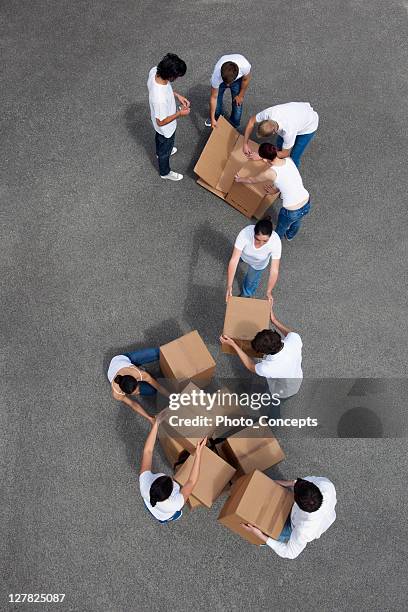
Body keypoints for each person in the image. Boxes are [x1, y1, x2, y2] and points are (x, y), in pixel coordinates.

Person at [241, 476, 337, 559]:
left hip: (295, 526)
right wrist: (276, 483)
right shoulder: (325, 484)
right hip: (311, 513)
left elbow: (290, 553)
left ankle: (266, 540)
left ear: (295, 499)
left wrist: (260, 535)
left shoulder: (303, 531)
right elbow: (299, 482)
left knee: (272, 532)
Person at [220, 306, 303, 400]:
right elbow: (290, 334)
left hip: (283, 390)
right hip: (297, 376)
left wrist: (233, 344)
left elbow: (250, 366)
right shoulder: (295, 340)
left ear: (265, 352)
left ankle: (273, 413)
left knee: (273, 403)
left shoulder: (267, 367)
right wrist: (274, 320)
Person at [234, 143, 310, 241]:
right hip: (306, 201)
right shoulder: (288, 160)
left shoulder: (270, 173)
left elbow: (252, 180)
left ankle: (274, 244)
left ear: (265, 159)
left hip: (291, 210)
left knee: (280, 230)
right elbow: (287, 181)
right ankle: (290, 235)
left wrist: (239, 179)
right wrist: (275, 190)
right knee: (297, 220)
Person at [139, 414, 207, 523]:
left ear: (153, 482)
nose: (170, 477)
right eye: (171, 481)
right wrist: (198, 454)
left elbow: (147, 451)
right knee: (176, 514)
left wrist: (156, 424)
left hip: (151, 504)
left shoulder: (145, 483)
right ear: (170, 494)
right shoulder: (175, 504)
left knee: (154, 509)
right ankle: (170, 517)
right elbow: (191, 481)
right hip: (165, 515)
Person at [147, 53, 190, 181]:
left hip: (161, 129)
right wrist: (179, 113)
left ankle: (161, 152)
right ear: (171, 76)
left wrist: (177, 95)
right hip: (166, 128)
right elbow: (160, 122)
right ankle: (165, 172)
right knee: (165, 145)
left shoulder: (155, 71)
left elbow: (165, 89)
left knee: (160, 138)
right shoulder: (159, 99)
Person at [243, 101, 319, 168]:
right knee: (280, 145)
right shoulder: (269, 113)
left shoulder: (288, 131)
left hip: (308, 126)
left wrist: (262, 156)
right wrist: (245, 144)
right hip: (299, 112)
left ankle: (292, 175)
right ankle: (277, 161)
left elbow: (285, 153)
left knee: (294, 156)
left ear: (274, 132)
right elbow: (251, 121)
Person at [107, 347, 170, 424]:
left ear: (136, 380)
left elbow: (158, 386)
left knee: (159, 353)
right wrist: (150, 418)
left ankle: (140, 366)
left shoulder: (139, 373)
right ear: (126, 392)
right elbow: (133, 404)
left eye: (137, 389)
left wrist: (170, 396)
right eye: (136, 393)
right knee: (152, 390)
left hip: (125, 359)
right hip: (120, 367)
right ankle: (142, 369)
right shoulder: (117, 393)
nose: (138, 392)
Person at [226, 216, 281, 302]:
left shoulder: (276, 242)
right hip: (244, 256)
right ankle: (242, 260)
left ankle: (245, 295)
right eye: (257, 239)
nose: (261, 243)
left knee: (250, 282)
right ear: (253, 233)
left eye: (265, 241)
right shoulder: (245, 233)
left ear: (270, 236)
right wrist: (229, 285)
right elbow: (234, 260)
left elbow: (274, 270)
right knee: (237, 260)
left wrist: (269, 291)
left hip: (258, 264)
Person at [205, 53, 251, 129]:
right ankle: (217, 118)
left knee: (238, 104)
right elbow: (213, 98)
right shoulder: (216, 76)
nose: (228, 85)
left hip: (236, 80)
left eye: (230, 83)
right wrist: (212, 118)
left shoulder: (245, 66)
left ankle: (234, 125)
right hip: (222, 81)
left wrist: (240, 95)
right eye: (227, 83)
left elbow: (246, 80)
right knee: (216, 107)